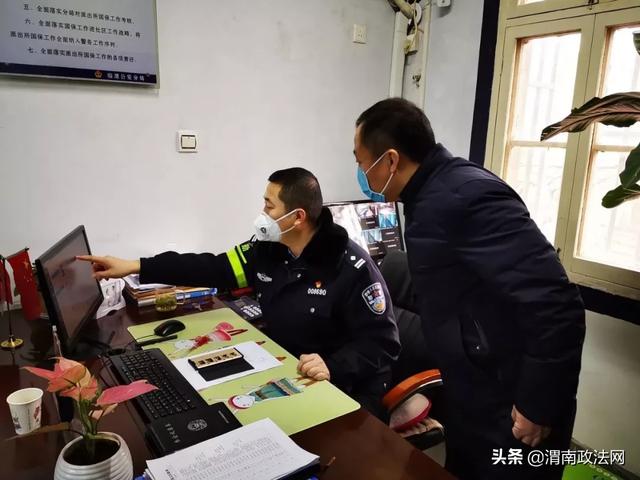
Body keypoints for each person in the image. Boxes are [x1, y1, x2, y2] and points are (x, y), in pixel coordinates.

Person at [352, 98, 585, 479]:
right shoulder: (426, 196)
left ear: (391, 160)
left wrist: (538, 405)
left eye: (361, 161)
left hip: (513, 407)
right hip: (471, 393)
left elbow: (556, 304)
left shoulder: (467, 197)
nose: (361, 173)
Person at [79, 168, 400, 418]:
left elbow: (382, 342)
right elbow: (212, 267)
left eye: (269, 205)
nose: (262, 213)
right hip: (289, 370)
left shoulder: (352, 267)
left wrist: (334, 365)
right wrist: (135, 266)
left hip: (343, 384)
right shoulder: (269, 250)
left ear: (297, 217)